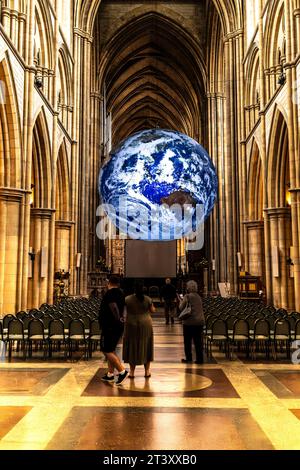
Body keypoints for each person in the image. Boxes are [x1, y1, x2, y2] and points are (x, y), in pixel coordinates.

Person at [98, 275, 128, 385]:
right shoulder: (121, 293)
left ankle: (122, 371)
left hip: (110, 326)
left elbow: (113, 307)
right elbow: (123, 308)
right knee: (111, 349)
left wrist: (117, 319)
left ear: (109, 282)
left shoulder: (110, 293)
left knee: (106, 350)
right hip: (117, 325)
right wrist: (122, 318)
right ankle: (110, 374)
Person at [123, 281, 156, 378]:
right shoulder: (148, 299)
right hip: (145, 323)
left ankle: (132, 372)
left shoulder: (127, 299)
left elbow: (124, 310)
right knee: (146, 346)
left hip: (131, 323)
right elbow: (152, 311)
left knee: (132, 345)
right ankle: (147, 372)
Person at [178, 280, 205, 364]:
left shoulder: (187, 296)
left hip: (189, 322)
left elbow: (181, 307)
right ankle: (200, 359)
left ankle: (189, 358)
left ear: (188, 288)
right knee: (198, 342)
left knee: (187, 341)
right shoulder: (198, 296)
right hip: (199, 322)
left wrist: (180, 300)